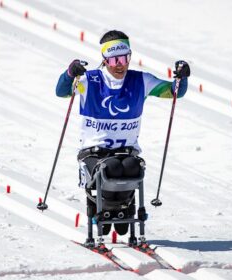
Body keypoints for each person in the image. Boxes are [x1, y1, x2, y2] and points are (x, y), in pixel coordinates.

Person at [56, 30, 190, 238]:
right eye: (114, 59)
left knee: (130, 166)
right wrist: (70, 73)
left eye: (124, 58)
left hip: (126, 153)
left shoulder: (141, 81)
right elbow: (61, 92)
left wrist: (182, 77)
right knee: (110, 168)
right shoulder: (90, 80)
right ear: (105, 60)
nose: (120, 64)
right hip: (94, 154)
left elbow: (175, 92)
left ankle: (122, 211)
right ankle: (107, 211)